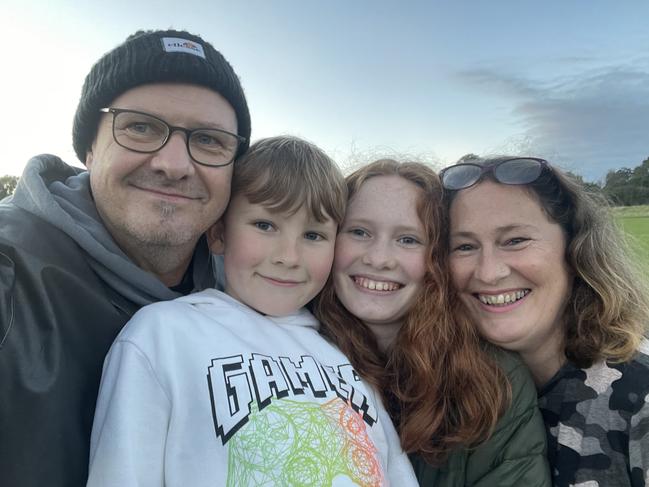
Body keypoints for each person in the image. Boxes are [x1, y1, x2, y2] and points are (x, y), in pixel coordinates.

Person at [87, 137, 418, 486]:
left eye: (313, 235)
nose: (288, 256)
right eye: (265, 225)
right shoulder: (163, 334)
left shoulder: (347, 355)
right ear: (218, 234)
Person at [0, 29, 250, 486]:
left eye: (210, 140)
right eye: (140, 127)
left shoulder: (256, 291)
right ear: (90, 149)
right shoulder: (10, 277)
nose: (174, 164)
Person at [314, 158, 551, 486]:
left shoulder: (493, 383)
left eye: (408, 239)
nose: (379, 258)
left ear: (437, 259)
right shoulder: (282, 357)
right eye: (358, 231)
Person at [441, 156, 649, 486]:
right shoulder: (445, 398)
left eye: (515, 240)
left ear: (574, 247)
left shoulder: (640, 398)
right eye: (464, 246)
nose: (489, 272)